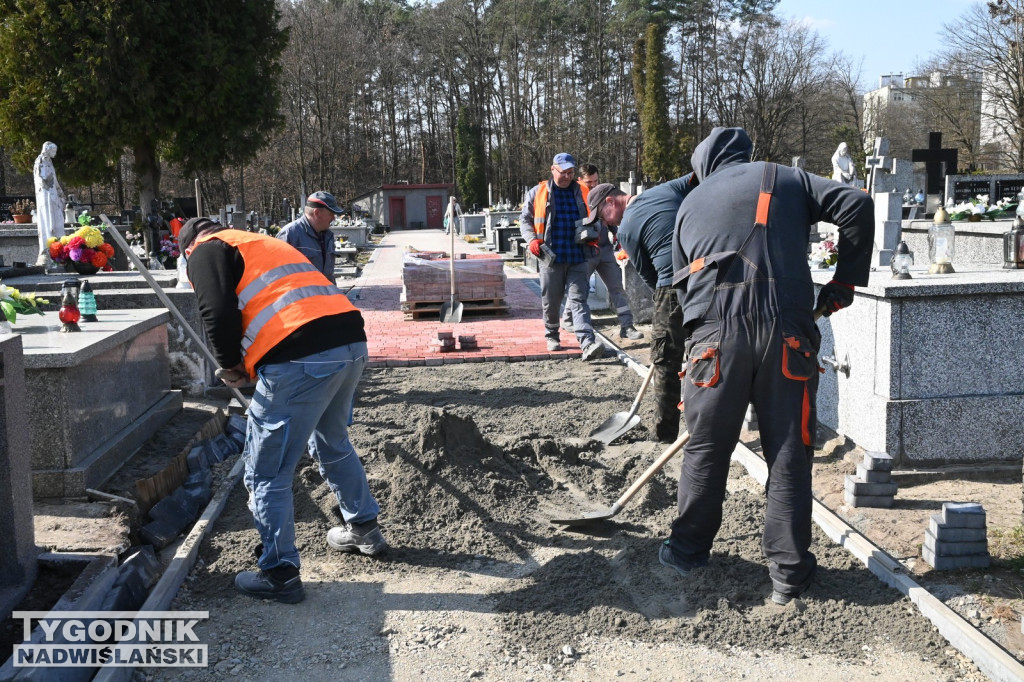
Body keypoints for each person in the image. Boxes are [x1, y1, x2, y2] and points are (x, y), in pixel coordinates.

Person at [664, 127, 873, 605]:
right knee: (786, 452)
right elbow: (857, 205)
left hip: (712, 339)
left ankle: (685, 554)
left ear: (703, 167)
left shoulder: (689, 205)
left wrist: (706, 341)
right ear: (745, 156)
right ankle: (789, 578)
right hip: (787, 334)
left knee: (706, 449)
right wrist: (843, 282)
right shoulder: (786, 178)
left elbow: (681, 293)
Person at [178, 217, 387, 604]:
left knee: (265, 471)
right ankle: (364, 529)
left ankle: (279, 573)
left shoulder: (205, 251)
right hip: (349, 343)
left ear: (186, 247)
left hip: (300, 355)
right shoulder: (256, 242)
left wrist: (231, 366)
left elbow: (217, 313)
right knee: (332, 441)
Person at [585, 176, 698, 443]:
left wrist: (664, 305)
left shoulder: (625, 231)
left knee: (665, 363)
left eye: (602, 216)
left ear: (611, 201)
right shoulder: (668, 188)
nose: (604, 223)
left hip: (672, 286)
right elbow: (697, 178)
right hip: (708, 276)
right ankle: (707, 425)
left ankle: (664, 434)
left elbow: (649, 276)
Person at [519, 153, 604, 360]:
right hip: (551, 256)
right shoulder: (538, 192)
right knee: (552, 300)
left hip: (577, 255)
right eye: (563, 172)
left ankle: (587, 342)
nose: (567, 176)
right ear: (552, 170)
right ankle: (552, 335)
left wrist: (594, 232)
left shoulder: (583, 191)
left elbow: (597, 216)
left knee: (579, 300)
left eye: (571, 172)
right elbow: (525, 219)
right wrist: (531, 239)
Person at [563, 166, 644, 341]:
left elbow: (613, 218)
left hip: (604, 250)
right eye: (588, 182)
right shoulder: (574, 196)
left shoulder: (603, 196)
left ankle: (627, 326)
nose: (593, 185)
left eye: (595, 181)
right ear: (580, 180)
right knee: (579, 288)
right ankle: (568, 319)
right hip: (584, 251)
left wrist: (618, 236)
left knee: (617, 287)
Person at [277, 191, 341, 285]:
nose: (334, 218)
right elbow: (277, 276)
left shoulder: (327, 236)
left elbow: (329, 276)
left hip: (323, 298)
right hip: (299, 299)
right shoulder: (289, 235)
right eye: (331, 214)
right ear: (317, 213)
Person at [33, 141, 66, 266]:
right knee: (48, 222)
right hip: (46, 197)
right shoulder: (40, 161)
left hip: (53, 195)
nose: (55, 153)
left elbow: (54, 180)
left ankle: (59, 250)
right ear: (47, 150)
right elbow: (41, 181)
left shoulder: (49, 162)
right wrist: (51, 188)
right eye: (53, 151)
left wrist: (60, 193)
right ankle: (49, 250)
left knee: (57, 221)